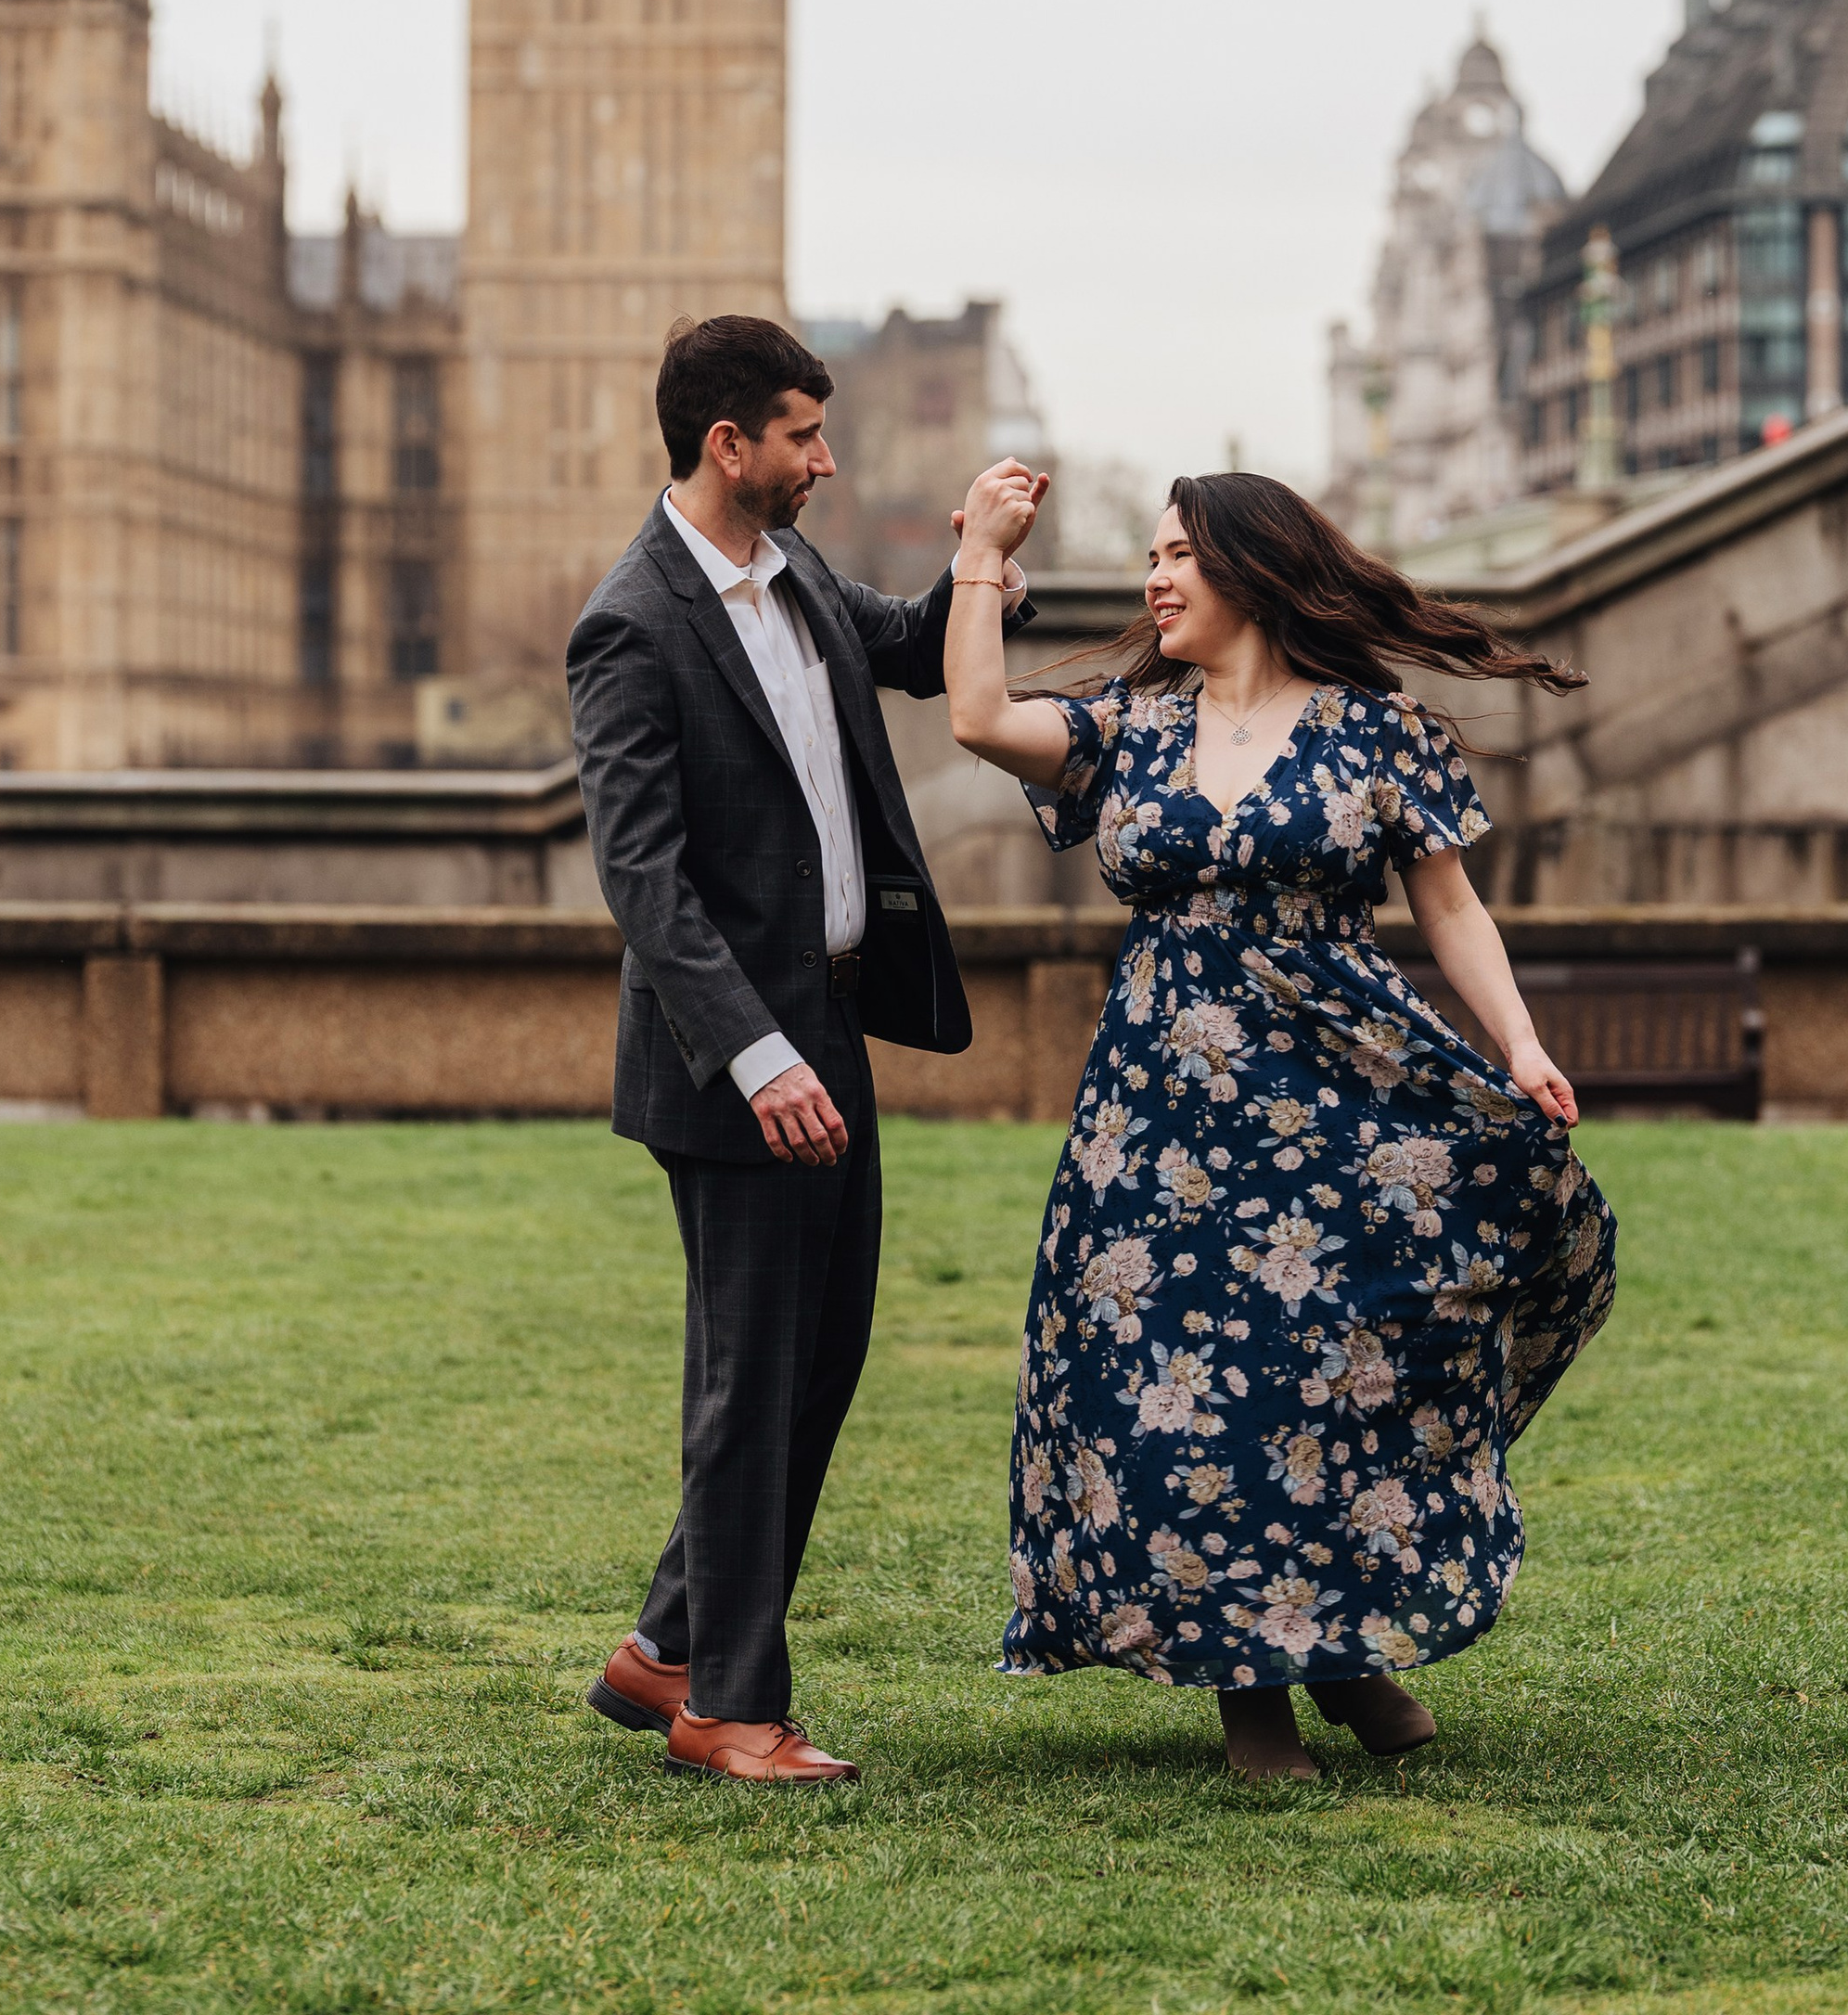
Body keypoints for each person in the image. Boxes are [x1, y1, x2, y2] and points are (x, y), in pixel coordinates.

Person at [946, 464, 1615, 1782]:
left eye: (1177, 555)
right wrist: (981, 556)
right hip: (1158, 1122)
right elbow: (975, 716)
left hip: (1338, 1099)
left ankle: (1343, 1652)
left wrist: (1522, 1044)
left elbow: (1450, 905)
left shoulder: (1377, 729)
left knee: (1335, 1368)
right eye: (1150, 556)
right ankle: (1249, 1686)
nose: (1154, 579)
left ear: (1249, 569)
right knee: (1178, 1386)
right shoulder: (1129, 729)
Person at [569, 314, 1042, 1785]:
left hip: (831, 1022)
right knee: (751, 1377)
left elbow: (916, 646)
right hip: (738, 1063)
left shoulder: (799, 575)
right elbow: (643, 879)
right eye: (802, 435)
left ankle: (666, 1646)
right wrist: (759, 1056)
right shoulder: (631, 620)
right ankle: (728, 1704)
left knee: (817, 1362)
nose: (825, 461)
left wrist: (982, 556)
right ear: (729, 445)